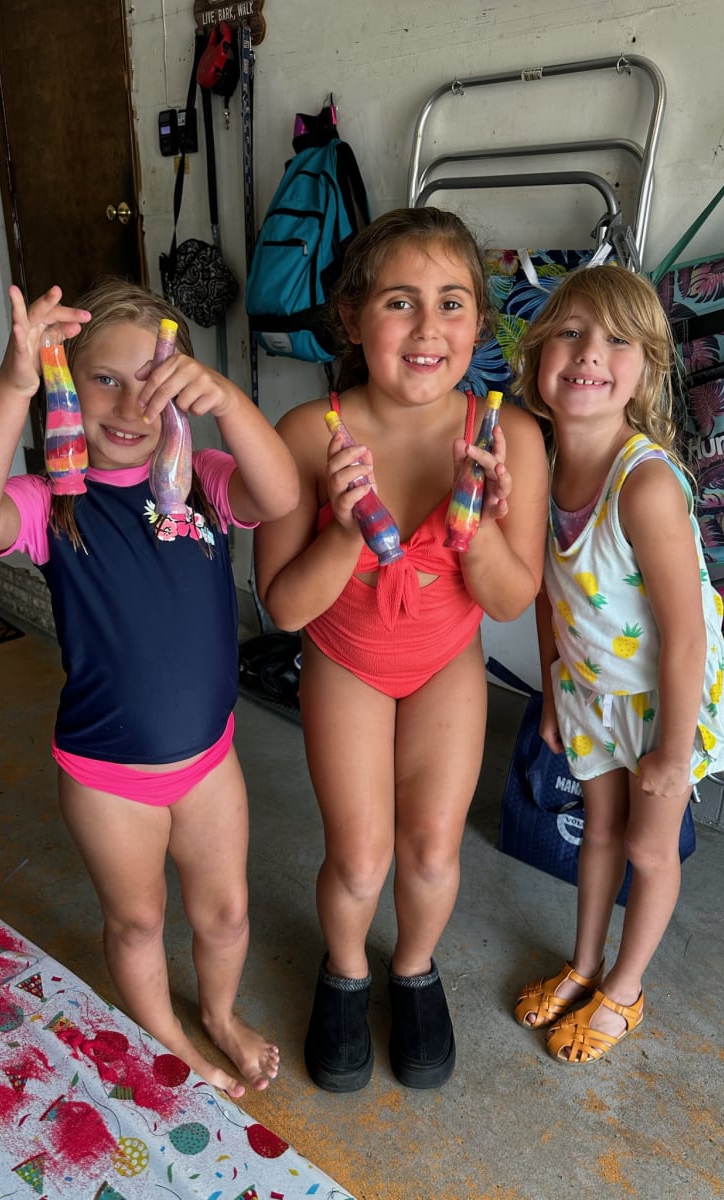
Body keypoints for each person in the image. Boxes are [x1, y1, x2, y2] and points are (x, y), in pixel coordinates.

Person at [0, 279, 299, 1099]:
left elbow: (280, 493)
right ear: (66, 381)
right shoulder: (51, 503)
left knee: (226, 913)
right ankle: (167, 1035)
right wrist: (13, 383)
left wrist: (228, 402)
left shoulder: (204, 480)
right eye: (105, 378)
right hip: (107, 776)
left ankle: (220, 1013)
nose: (132, 403)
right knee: (137, 920)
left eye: (155, 380)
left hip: (209, 762)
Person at [254, 207, 549, 1091]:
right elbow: (283, 609)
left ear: (479, 323)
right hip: (344, 662)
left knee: (430, 850)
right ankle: (346, 969)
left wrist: (478, 526)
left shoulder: (508, 436)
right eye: (399, 302)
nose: (428, 328)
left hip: (445, 663)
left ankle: (414, 967)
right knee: (359, 858)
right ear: (352, 318)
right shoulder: (307, 434)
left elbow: (509, 598)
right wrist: (344, 532)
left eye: (452, 303)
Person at [509, 264, 724, 1063]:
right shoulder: (538, 470)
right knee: (597, 831)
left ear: (646, 371)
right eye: (570, 332)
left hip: (662, 702)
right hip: (588, 691)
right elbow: (546, 594)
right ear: (539, 355)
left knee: (647, 848)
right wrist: (551, 694)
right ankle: (585, 964)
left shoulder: (644, 485)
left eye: (617, 341)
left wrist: (672, 752)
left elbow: (686, 635)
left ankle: (626, 991)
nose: (589, 353)